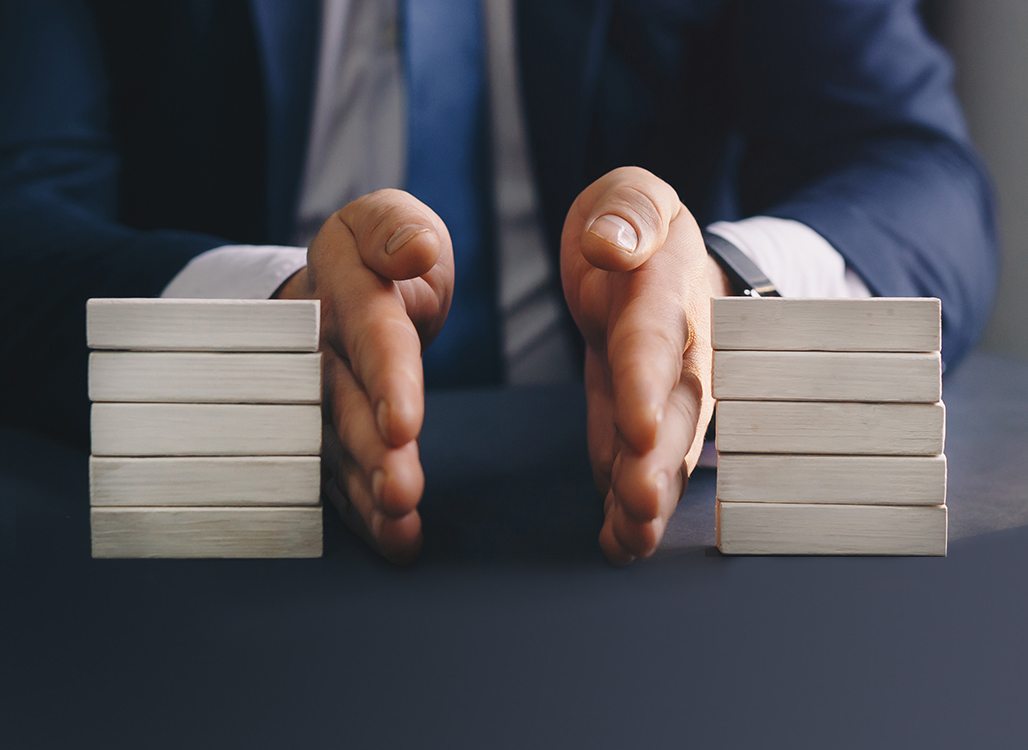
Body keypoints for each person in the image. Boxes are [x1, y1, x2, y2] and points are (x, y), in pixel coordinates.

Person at [0, 0, 997, 564]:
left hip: (637, 530)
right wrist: (259, 323)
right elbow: (21, 196)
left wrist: (724, 297)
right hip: (204, 557)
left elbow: (917, 168)